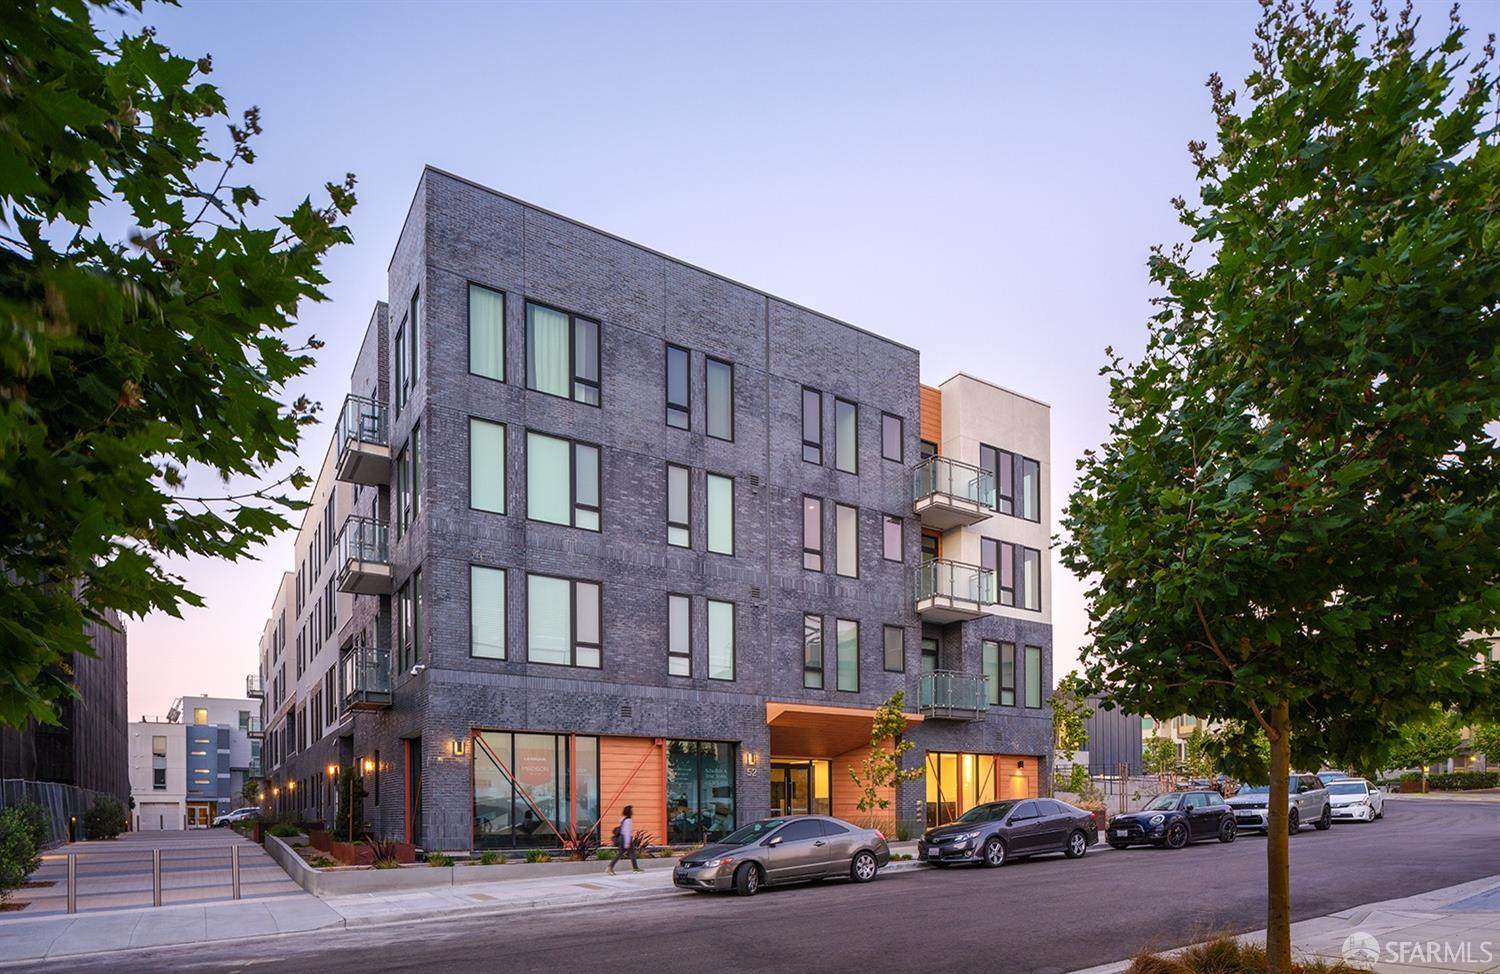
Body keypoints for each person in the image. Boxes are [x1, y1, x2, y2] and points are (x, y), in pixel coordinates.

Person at [607, 805, 640, 874]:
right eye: (631, 810)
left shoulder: (622, 819)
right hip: (626, 838)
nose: (632, 812)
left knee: (620, 853)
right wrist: (627, 843)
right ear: (629, 812)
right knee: (632, 853)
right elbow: (627, 832)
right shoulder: (628, 820)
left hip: (621, 838)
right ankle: (635, 869)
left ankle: (610, 867)